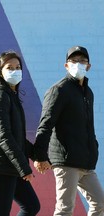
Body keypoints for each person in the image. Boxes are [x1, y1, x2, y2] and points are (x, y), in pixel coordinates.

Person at [33, 45, 104, 216]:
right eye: (74, 61)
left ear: (89, 66)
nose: (78, 64)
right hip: (65, 161)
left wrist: (93, 149)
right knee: (65, 209)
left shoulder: (88, 93)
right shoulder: (59, 90)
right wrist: (40, 155)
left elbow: (88, 127)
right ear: (66, 65)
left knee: (100, 203)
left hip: (85, 161)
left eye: (82, 61)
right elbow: (46, 124)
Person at [0, 50, 40, 216]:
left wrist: (38, 156)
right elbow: (3, 135)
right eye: (9, 67)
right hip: (0, 166)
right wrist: (24, 167)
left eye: (18, 67)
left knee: (31, 206)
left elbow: (17, 138)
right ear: (0, 71)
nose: (15, 71)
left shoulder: (10, 95)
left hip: (11, 165)